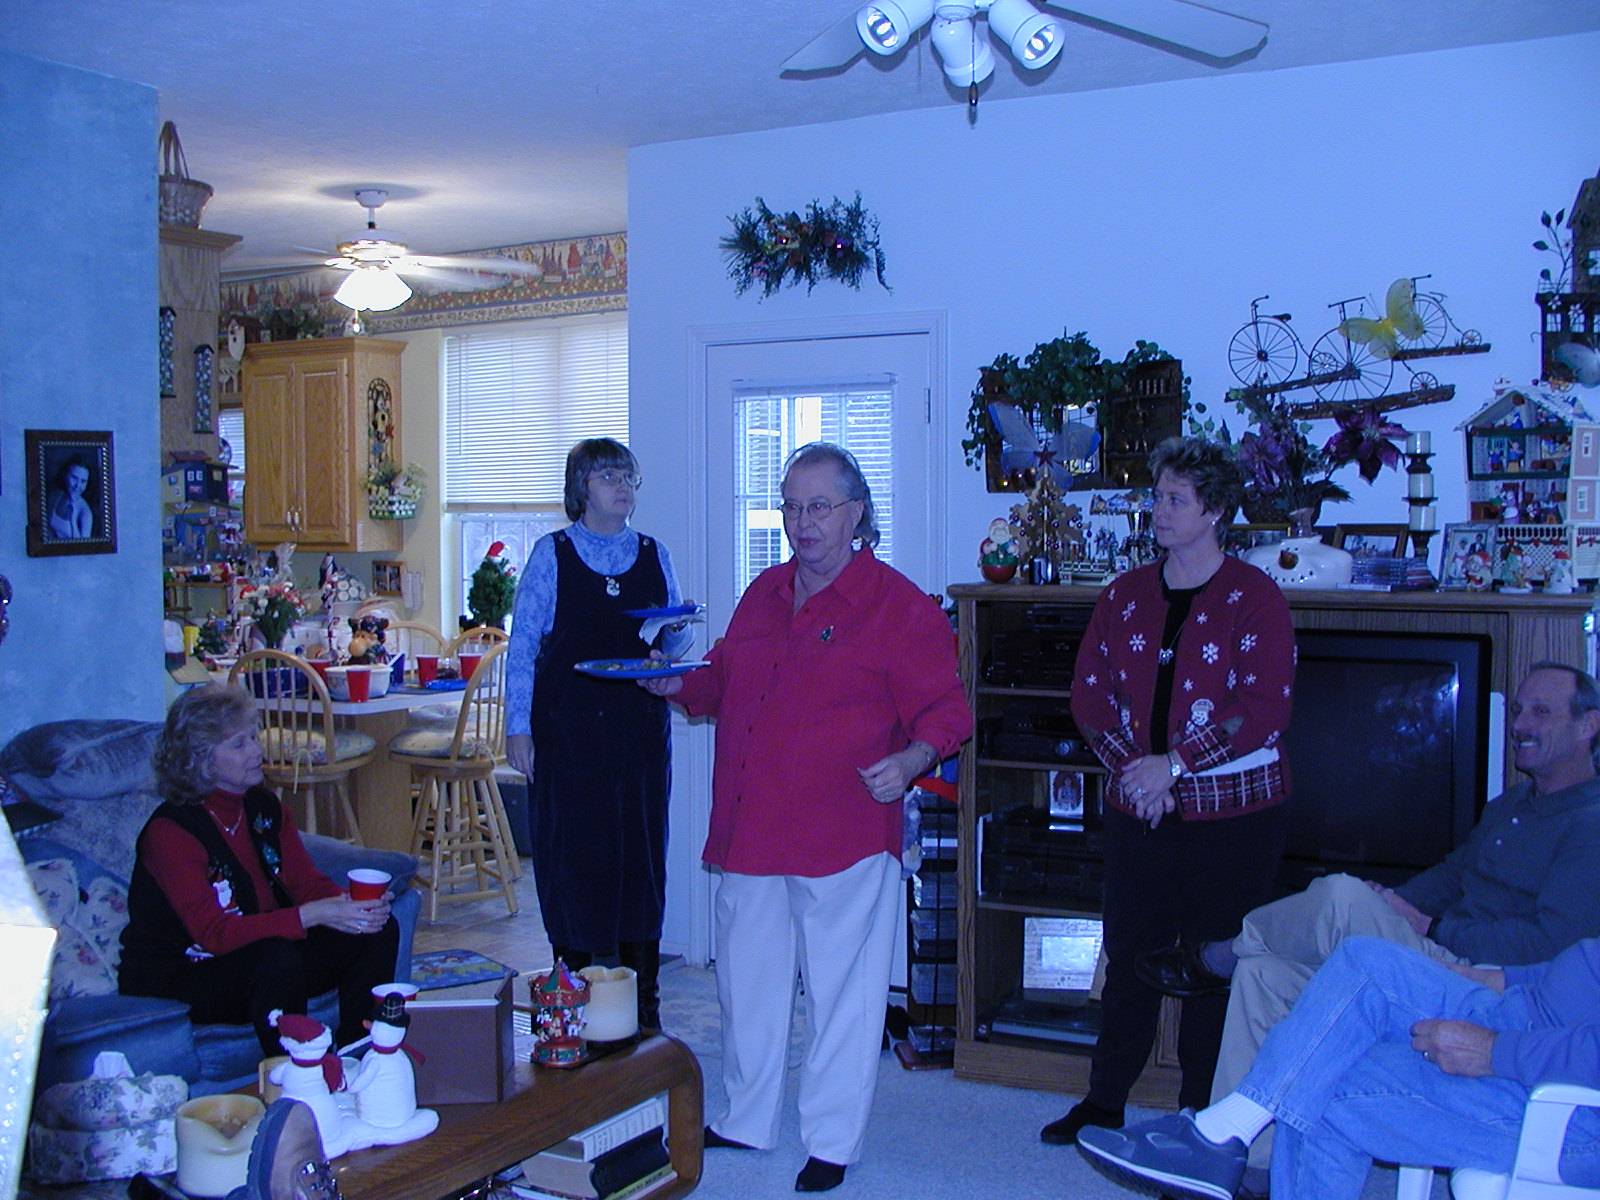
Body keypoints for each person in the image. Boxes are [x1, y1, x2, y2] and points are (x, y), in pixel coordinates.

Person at [642, 442, 970, 1193]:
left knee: (841, 997)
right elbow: (721, 679)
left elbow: (948, 712)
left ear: (857, 513)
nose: (802, 522)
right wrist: (675, 685)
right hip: (752, 826)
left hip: (843, 832)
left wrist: (911, 761)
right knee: (747, 988)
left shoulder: (899, 607)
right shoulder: (764, 591)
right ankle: (747, 1118)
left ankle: (831, 1138)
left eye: (819, 506)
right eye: (791, 506)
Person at [1138, 662, 1600, 1185]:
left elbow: (1550, 944)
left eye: (1541, 712)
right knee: (1263, 974)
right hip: (1449, 958)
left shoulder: (1590, 825)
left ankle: (1217, 954)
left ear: (1588, 725)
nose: (1519, 725)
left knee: (1340, 896)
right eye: (1517, 710)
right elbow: (1454, 875)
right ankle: (1248, 1170)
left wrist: (1432, 928)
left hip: (1480, 981)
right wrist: (1397, 903)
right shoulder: (1513, 804)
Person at [1040, 436, 1297, 1148]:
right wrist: (1138, 771)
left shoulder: (1255, 597)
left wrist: (1176, 765)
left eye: (1174, 499)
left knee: (1214, 961)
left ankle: (1200, 1116)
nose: (1158, 510)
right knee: (1129, 956)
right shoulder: (1123, 595)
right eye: (1157, 496)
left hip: (1235, 818)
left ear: (1214, 510)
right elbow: (1089, 695)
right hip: (1138, 809)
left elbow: (1263, 707)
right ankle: (1104, 1102)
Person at [1078, 934, 1600, 1200]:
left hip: (1566, 1103)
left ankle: (1218, 1136)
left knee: (1327, 1082)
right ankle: (1224, 1131)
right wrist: (1496, 978)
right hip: (1526, 1014)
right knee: (1365, 959)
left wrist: (1495, 1050)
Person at [504, 437, 692, 1031]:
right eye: (609, 476)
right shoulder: (551, 555)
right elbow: (523, 648)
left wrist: (677, 631)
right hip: (568, 736)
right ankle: (570, 1001)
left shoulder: (655, 553)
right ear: (580, 487)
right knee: (574, 861)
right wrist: (518, 729)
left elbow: (671, 641)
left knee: (641, 860)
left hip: (639, 737)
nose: (622, 487)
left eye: (628, 477)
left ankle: (644, 1006)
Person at [118, 683, 399, 1055]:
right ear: (200, 759)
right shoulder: (171, 833)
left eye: (253, 736)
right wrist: (311, 915)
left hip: (259, 952)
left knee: (374, 931)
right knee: (276, 959)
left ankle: (359, 1055)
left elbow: (304, 882)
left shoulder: (263, 806)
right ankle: (296, 1072)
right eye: (239, 744)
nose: (257, 750)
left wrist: (349, 905)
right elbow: (215, 934)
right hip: (185, 971)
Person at [46, 453, 94, 539]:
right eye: (74, 478)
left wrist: (73, 518)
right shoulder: (55, 496)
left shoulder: (85, 512)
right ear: (65, 475)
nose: (78, 485)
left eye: (83, 481)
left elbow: (84, 546)